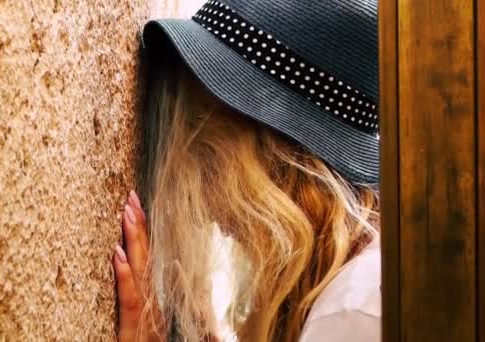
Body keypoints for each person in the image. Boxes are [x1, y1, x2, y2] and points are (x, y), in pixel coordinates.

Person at [112, 0, 381, 341]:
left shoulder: (354, 310)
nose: (208, 211)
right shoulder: (361, 282)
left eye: (209, 164)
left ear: (268, 162)